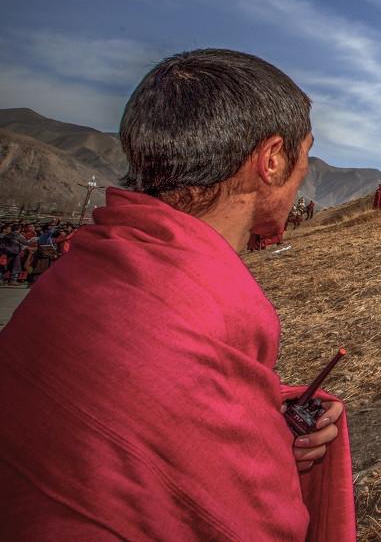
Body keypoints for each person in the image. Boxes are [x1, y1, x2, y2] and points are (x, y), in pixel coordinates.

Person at [0, 49, 355, 540]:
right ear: (272, 160)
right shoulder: (193, 307)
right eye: (304, 155)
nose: (303, 176)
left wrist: (266, 423)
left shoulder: (82, 272)